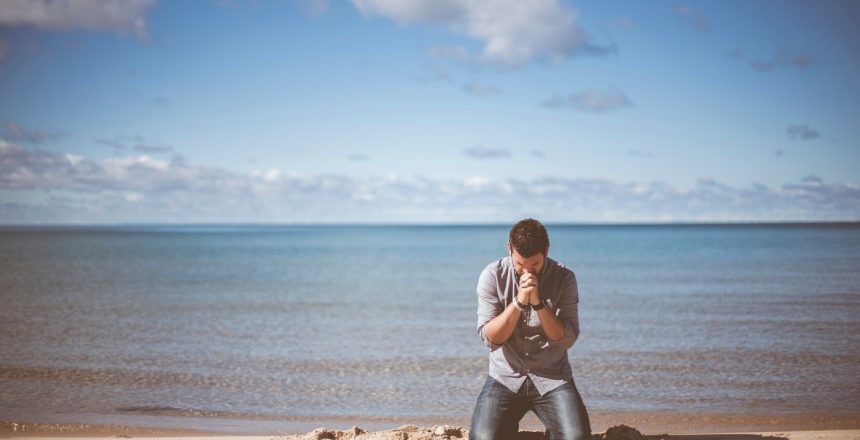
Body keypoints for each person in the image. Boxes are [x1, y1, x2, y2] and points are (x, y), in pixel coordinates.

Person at [469, 218, 591, 440]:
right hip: (505, 377)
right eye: (519, 264)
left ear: (546, 249)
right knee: (482, 437)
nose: (527, 272)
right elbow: (491, 338)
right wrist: (518, 302)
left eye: (534, 265)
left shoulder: (564, 278)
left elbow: (566, 339)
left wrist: (538, 304)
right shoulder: (493, 275)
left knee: (576, 436)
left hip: (553, 377)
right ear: (509, 248)